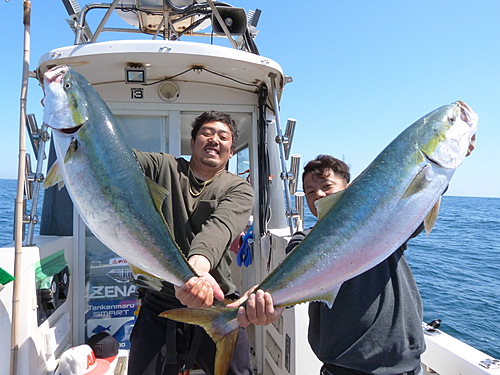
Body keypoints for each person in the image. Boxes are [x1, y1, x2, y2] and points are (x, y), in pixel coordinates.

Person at [128, 111, 254, 375]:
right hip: (160, 302)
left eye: (223, 137)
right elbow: (117, 157)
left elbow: (219, 228)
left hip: (216, 304)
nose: (214, 140)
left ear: (231, 152)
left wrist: (197, 269)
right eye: (206, 133)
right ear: (192, 142)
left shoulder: (238, 188)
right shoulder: (164, 166)